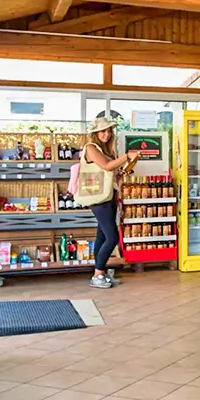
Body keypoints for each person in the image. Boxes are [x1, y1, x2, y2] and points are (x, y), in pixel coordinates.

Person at [83, 118, 138, 289]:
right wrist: (126, 156)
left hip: (108, 196)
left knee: (102, 236)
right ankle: (97, 274)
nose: (106, 134)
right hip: (98, 198)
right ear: (95, 133)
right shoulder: (90, 148)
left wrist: (123, 170)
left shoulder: (106, 150)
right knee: (113, 237)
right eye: (103, 131)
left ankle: (100, 272)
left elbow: (111, 171)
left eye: (109, 131)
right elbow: (106, 166)